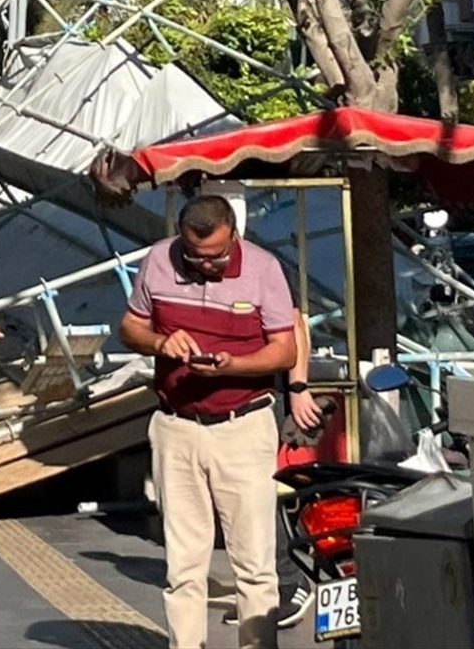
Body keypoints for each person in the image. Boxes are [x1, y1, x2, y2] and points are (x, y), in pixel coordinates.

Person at [120, 194, 297, 649]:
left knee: (254, 562)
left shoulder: (263, 268)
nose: (207, 265)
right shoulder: (158, 261)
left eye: (217, 255)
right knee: (183, 563)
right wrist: (160, 342)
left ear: (234, 233)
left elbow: (285, 349)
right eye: (196, 256)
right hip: (176, 426)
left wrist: (232, 365)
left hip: (244, 424)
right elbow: (129, 328)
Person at [223, 307, 322, 630]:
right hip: (229, 402)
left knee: (262, 495)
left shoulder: (259, 270)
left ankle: (290, 582)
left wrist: (298, 389)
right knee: (239, 499)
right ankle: (259, 590)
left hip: (266, 397)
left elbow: (295, 324)